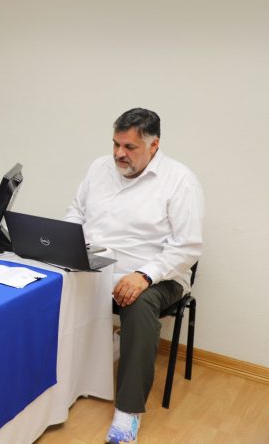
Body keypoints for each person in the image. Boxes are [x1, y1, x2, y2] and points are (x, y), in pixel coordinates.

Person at [65, 108, 204, 444]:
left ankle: (128, 412)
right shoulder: (99, 168)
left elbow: (187, 247)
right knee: (46, 284)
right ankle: (59, 377)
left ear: (154, 145)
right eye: (116, 144)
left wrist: (145, 275)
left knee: (138, 304)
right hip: (96, 264)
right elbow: (76, 213)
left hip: (158, 273)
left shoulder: (180, 180)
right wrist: (66, 245)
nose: (118, 153)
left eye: (129, 147)